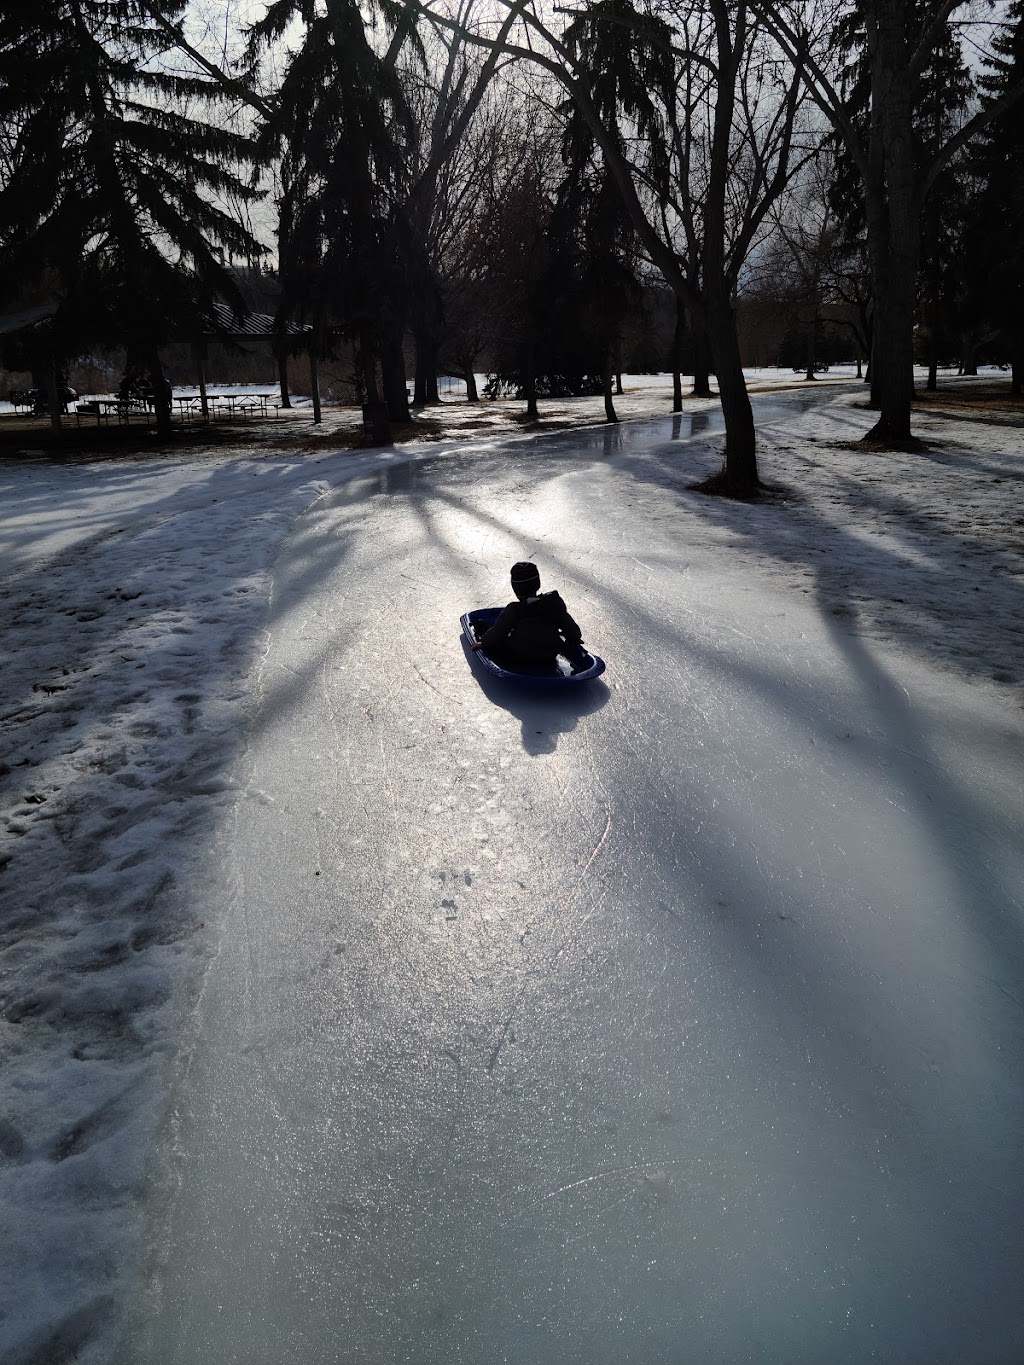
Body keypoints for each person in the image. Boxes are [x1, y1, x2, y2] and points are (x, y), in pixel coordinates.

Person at [474, 562, 587, 670]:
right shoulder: (553, 604)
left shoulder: (514, 609)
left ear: (515, 588)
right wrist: (574, 638)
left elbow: (498, 632)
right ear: (537, 584)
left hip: (519, 656)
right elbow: (572, 628)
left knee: (491, 635)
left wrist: (484, 643)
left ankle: (481, 628)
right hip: (549, 655)